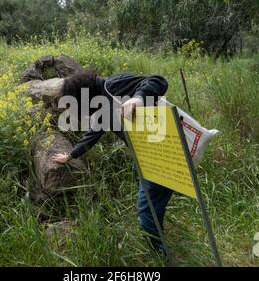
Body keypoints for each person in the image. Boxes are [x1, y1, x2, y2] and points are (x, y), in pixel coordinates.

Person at [52, 70, 173, 251]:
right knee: (153, 204)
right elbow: (93, 134)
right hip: (148, 155)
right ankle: (160, 239)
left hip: (163, 153)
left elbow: (159, 80)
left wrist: (138, 99)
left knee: (146, 211)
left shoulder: (113, 85)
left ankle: (162, 256)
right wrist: (71, 155)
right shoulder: (102, 106)